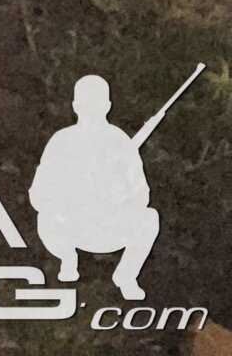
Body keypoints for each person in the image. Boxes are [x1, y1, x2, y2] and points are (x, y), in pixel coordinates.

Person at [29, 73, 162, 299]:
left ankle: (127, 276)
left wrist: (116, 194)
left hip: (108, 226)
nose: (91, 109)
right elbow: (38, 194)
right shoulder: (61, 142)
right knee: (46, 219)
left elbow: (142, 194)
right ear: (75, 106)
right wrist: (69, 197)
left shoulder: (120, 142)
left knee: (149, 218)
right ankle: (68, 259)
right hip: (71, 226)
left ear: (107, 106)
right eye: (86, 103)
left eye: (96, 103)